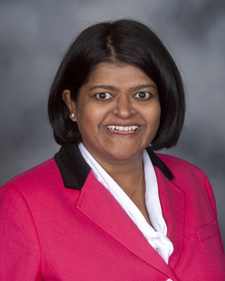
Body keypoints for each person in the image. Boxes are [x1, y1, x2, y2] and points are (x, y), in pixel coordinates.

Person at [0, 19, 224, 280]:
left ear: (162, 101)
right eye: (103, 95)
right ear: (72, 103)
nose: (125, 111)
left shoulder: (194, 181)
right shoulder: (22, 204)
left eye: (142, 95)